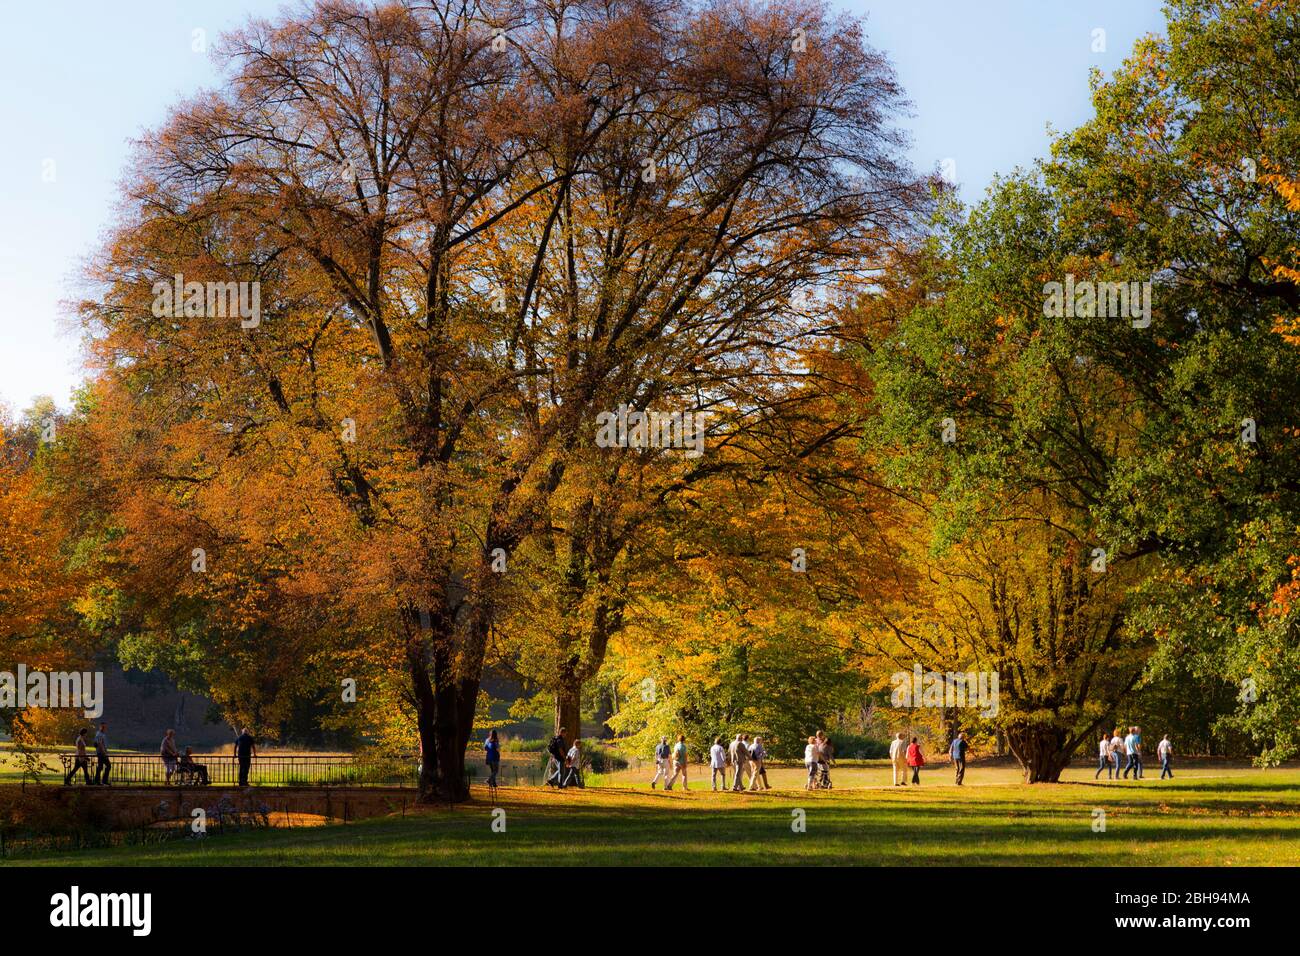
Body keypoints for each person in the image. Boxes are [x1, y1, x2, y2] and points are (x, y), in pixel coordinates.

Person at [93, 722, 111, 786]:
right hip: (101, 753)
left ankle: (98, 781)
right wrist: (104, 753)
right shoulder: (100, 734)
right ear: (100, 727)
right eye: (103, 727)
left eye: (105, 727)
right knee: (108, 766)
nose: (104, 728)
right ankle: (103, 781)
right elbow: (100, 744)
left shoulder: (100, 734)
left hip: (101, 753)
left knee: (100, 767)